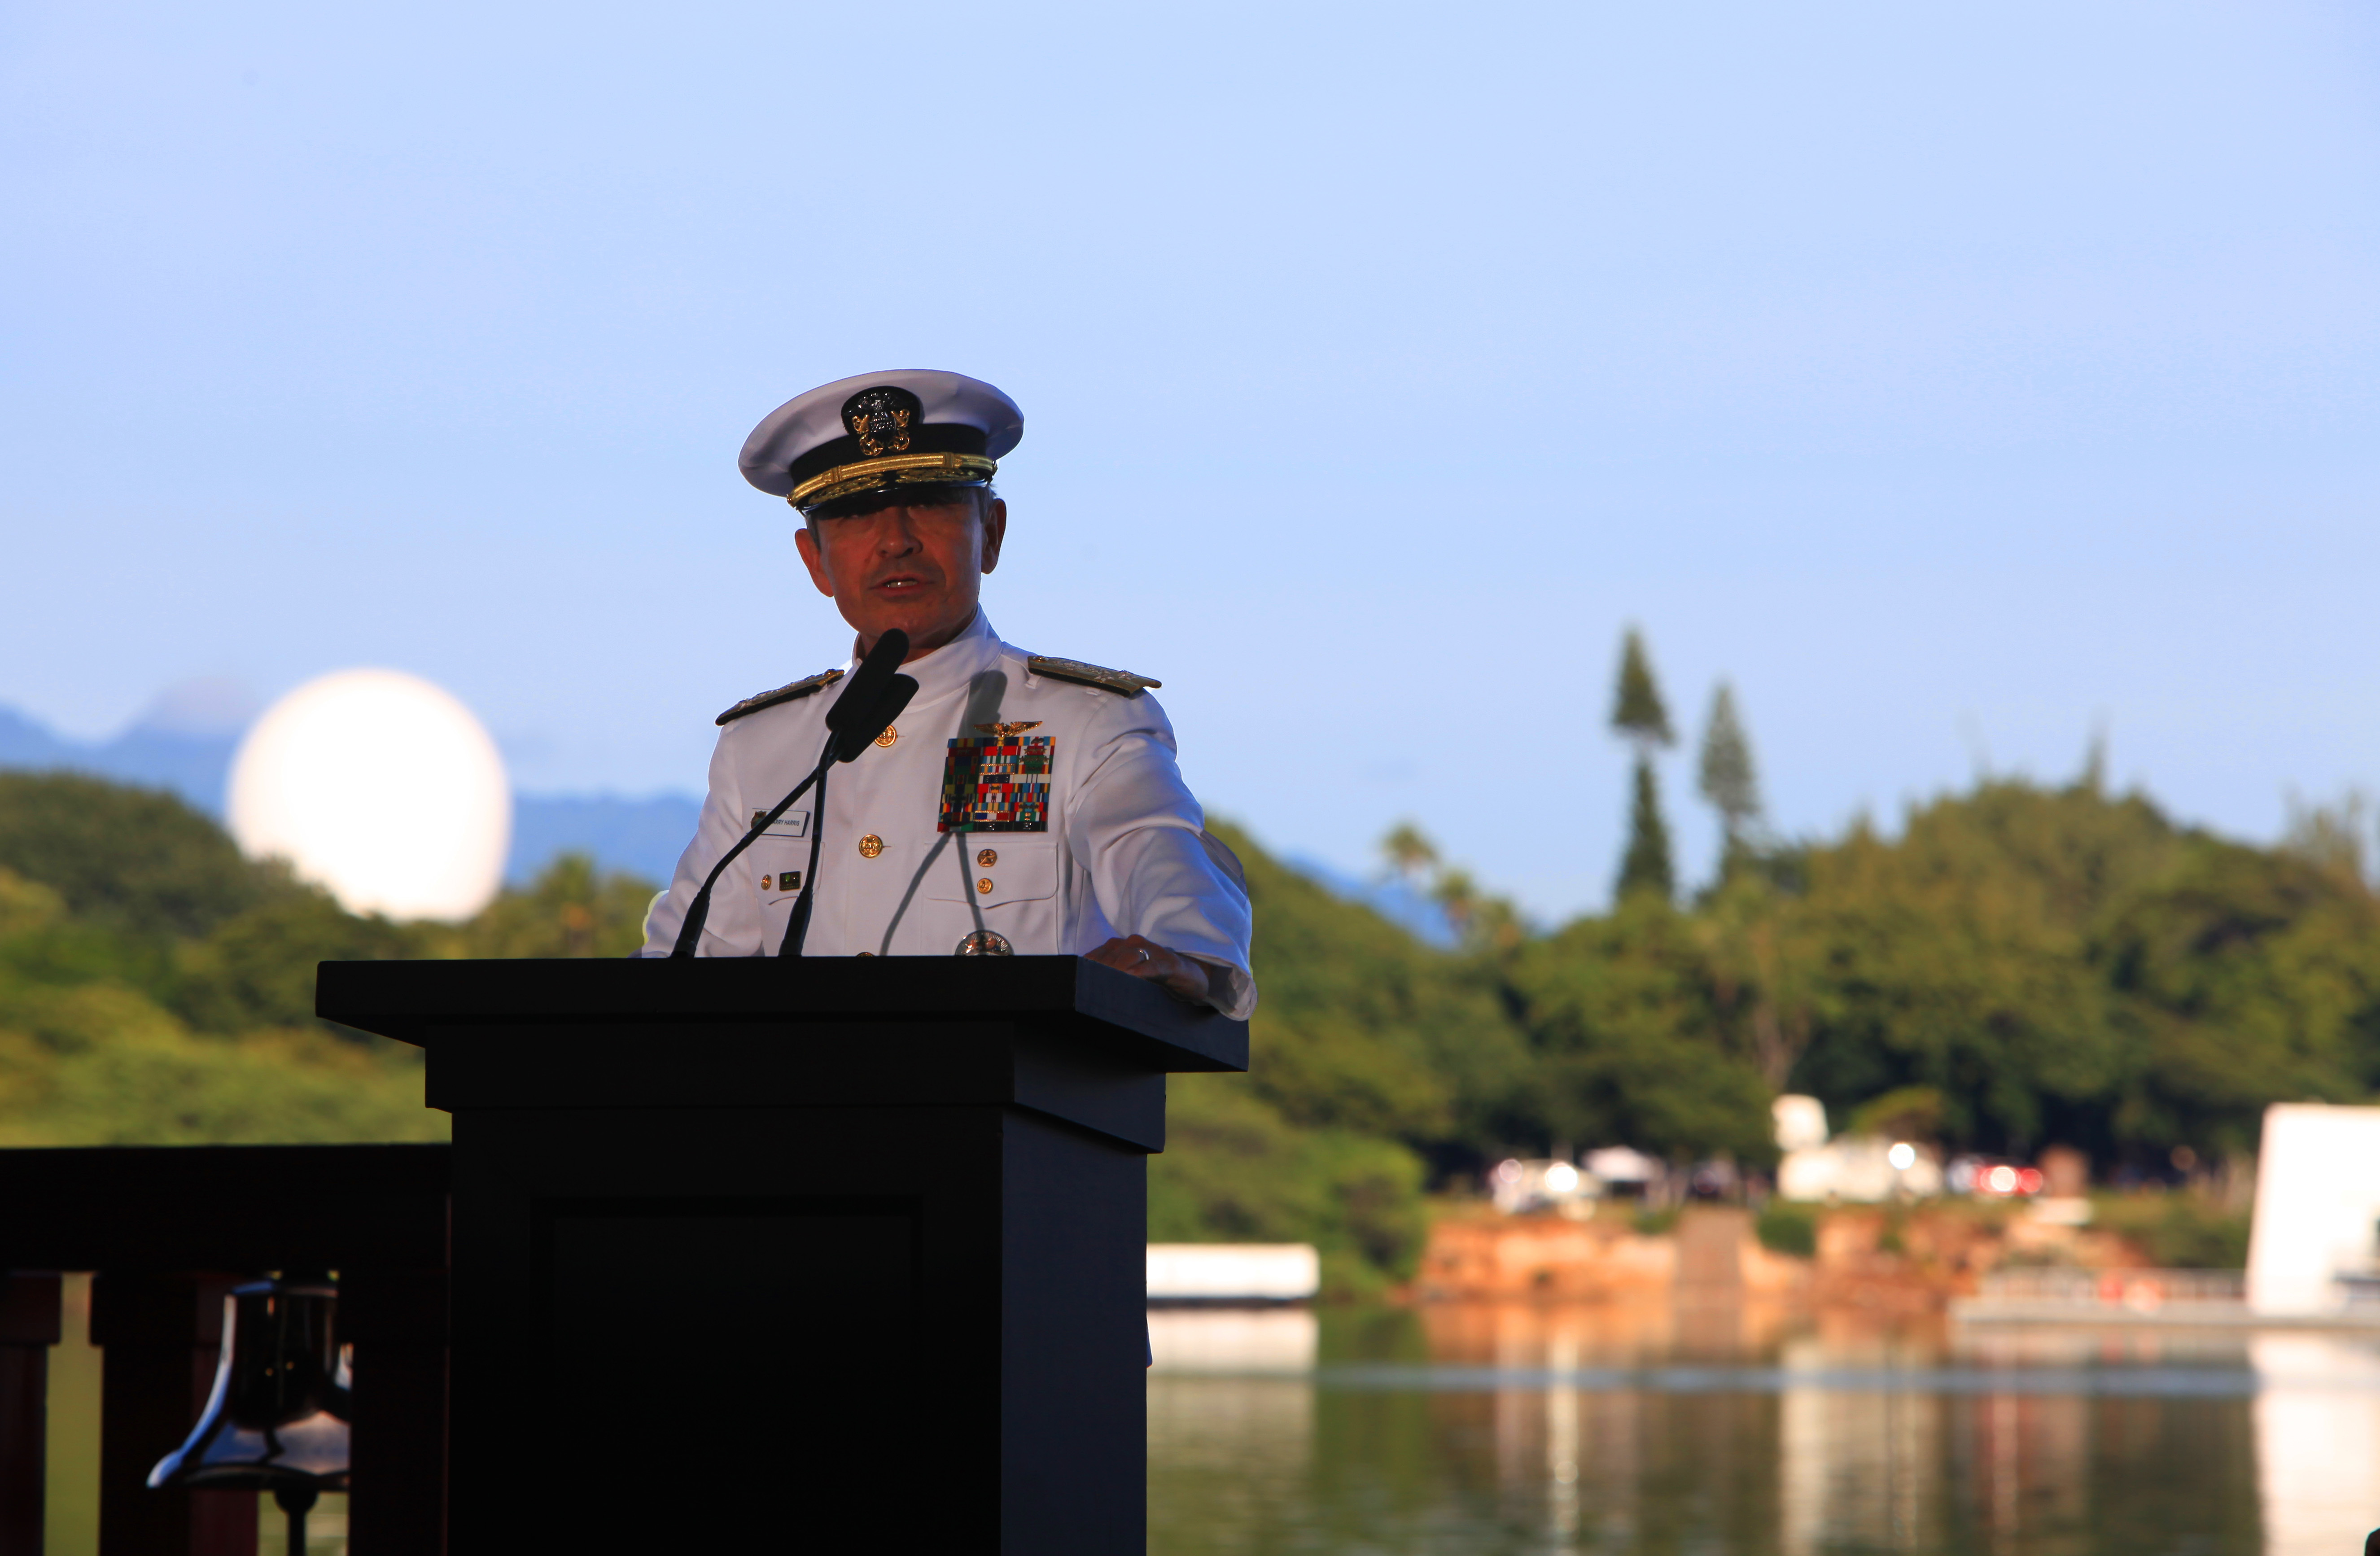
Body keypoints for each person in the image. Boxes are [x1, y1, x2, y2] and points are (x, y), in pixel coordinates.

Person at [639, 369, 1255, 1019]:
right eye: (854, 514)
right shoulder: (763, 748)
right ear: (815, 560)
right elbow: (679, 970)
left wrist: (1183, 955)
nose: (896, 540)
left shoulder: (1085, 723)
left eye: (931, 503)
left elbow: (1162, 863)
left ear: (990, 532)